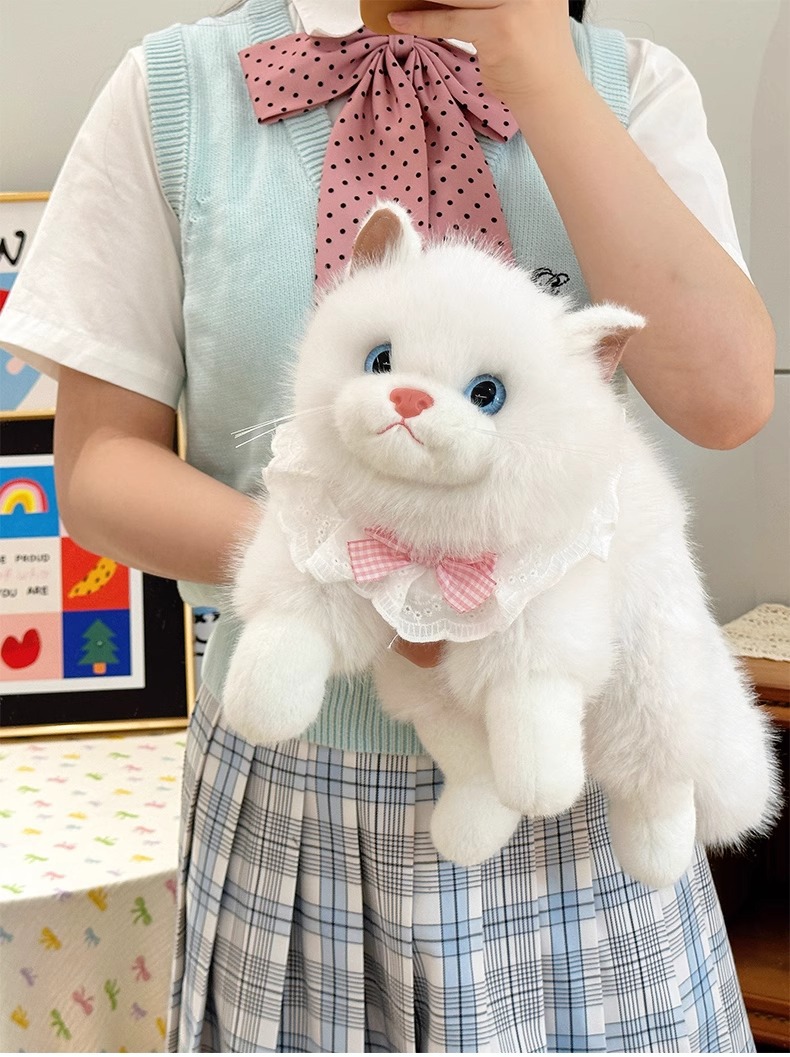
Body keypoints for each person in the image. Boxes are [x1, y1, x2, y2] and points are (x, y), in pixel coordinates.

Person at [0, 0, 775, 1051]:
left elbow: (725, 400)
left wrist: (541, 72)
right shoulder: (178, 90)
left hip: (570, 778)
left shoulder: (630, 88)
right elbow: (98, 469)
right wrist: (350, 580)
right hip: (293, 793)